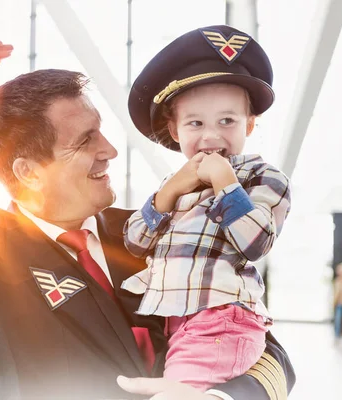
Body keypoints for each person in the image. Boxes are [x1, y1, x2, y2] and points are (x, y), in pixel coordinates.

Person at [0, 37, 295, 399]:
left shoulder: (150, 231)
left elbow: (266, 348)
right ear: (29, 172)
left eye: (102, 130)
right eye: (85, 140)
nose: (110, 150)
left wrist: (222, 397)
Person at [120, 25, 291, 392]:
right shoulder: (176, 183)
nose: (211, 136)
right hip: (180, 323)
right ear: (175, 129)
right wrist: (170, 192)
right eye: (195, 123)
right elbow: (134, 242)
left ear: (250, 123)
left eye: (227, 121)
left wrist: (227, 186)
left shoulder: (261, 176)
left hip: (222, 321)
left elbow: (256, 243)